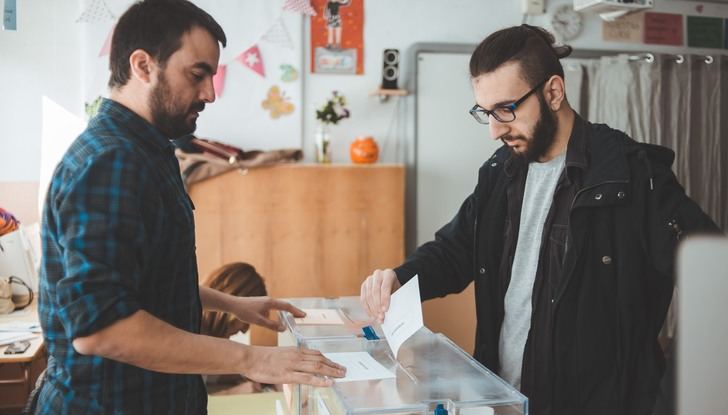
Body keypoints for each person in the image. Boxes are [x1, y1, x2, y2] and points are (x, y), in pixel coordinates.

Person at [360, 24, 720, 415]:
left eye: (506, 110)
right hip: (505, 399)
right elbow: (456, 250)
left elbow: (714, 287)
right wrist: (400, 277)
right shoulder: (501, 172)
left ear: (552, 92)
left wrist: (673, 402)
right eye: (485, 113)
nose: (495, 130)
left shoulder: (632, 176)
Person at [36, 1, 344, 414]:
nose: (209, 93)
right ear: (143, 66)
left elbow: (140, 279)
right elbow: (101, 330)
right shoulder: (111, 162)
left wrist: (231, 303)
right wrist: (253, 359)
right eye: (197, 75)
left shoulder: (147, 151)